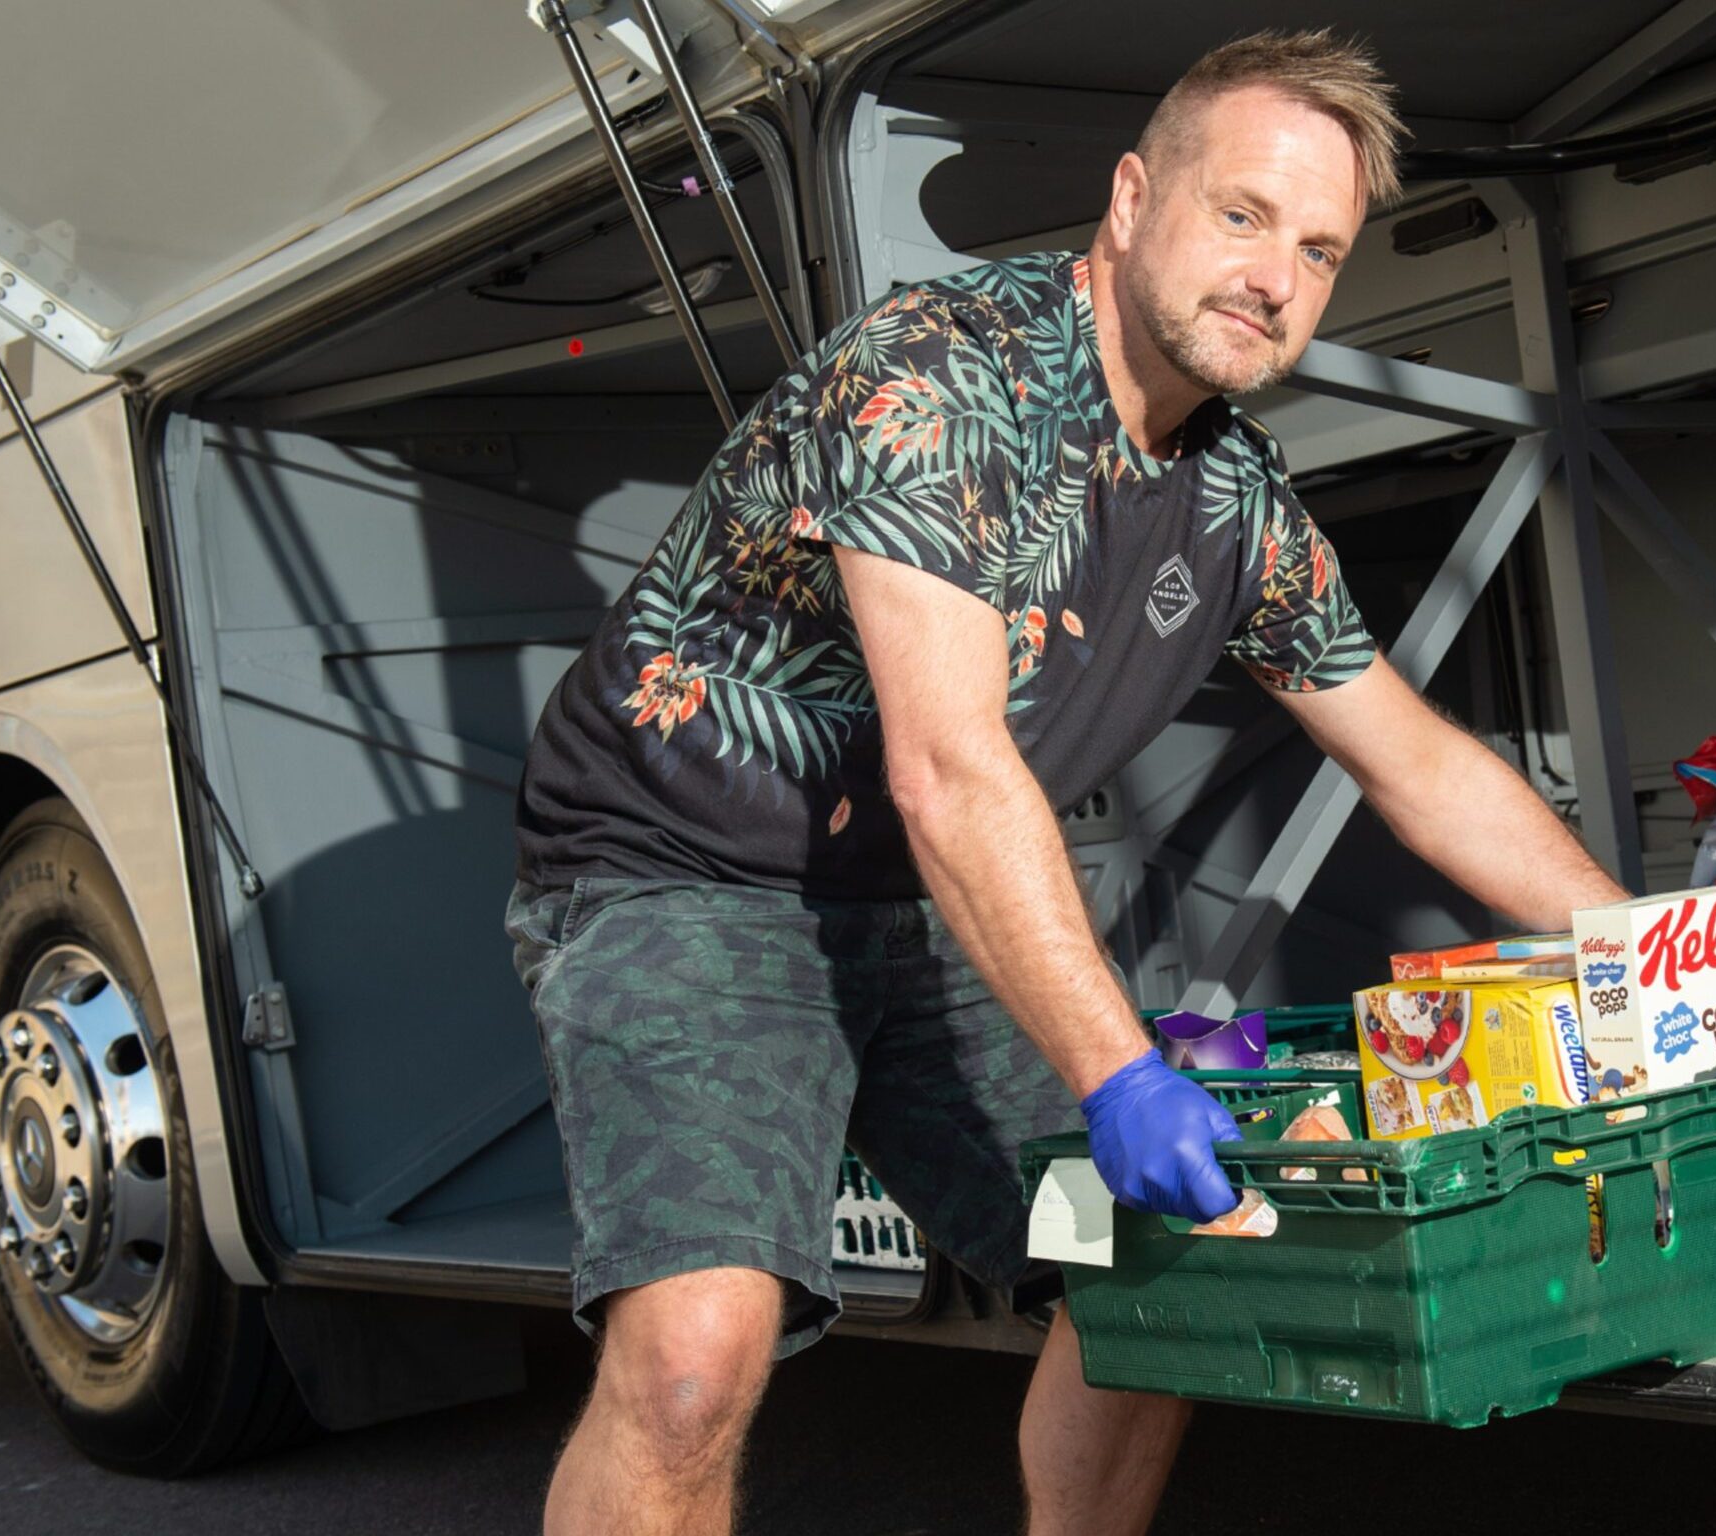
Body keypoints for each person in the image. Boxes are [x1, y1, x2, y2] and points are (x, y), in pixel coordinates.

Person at [504, 27, 1629, 1536]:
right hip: (687, 873)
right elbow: (954, 771)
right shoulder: (943, 378)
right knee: (696, 1358)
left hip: (918, 890)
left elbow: (1415, 761)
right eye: (1240, 216)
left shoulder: (1235, 497)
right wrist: (1117, 1075)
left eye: (1318, 248)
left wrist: (1657, 962)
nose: (1274, 277)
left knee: (1154, 1275)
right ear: (1128, 200)